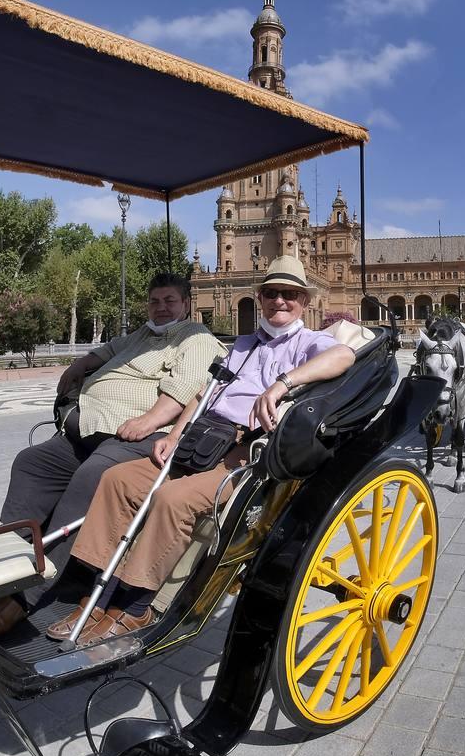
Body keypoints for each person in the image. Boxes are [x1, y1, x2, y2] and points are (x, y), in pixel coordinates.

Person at [48, 256, 355, 646]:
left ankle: (136, 606)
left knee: (173, 500)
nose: (280, 301)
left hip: (247, 449)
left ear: (303, 301)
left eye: (289, 294)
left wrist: (281, 383)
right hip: (202, 440)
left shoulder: (310, 342)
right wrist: (174, 434)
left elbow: (343, 356)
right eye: (272, 293)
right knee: (118, 480)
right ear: (260, 298)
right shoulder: (242, 345)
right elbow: (203, 393)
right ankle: (94, 592)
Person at [0, 273, 221, 635]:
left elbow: (186, 387)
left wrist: (149, 420)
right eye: (155, 301)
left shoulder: (195, 339)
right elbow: (107, 350)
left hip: (137, 436)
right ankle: (9, 565)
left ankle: (25, 596)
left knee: (91, 478)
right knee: (30, 463)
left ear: (186, 304)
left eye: (170, 301)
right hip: (87, 430)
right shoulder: (143, 335)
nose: (161, 308)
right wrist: (80, 364)